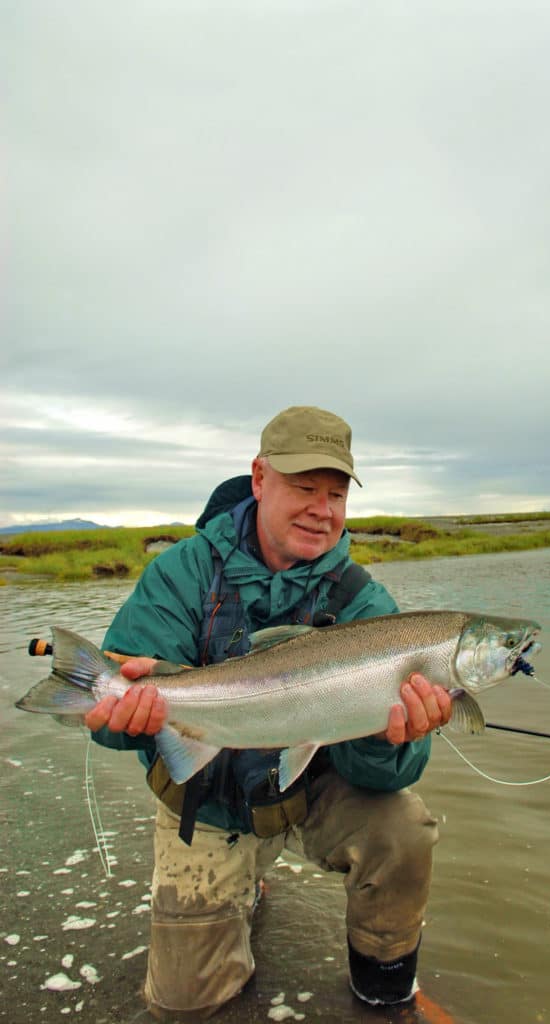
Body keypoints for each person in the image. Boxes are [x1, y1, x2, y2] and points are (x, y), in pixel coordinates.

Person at [85, 405, 451, 1021]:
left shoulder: (365, 601)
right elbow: (114, 719)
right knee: (184, 1006)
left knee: (402, 826)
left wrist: (393, 740)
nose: (322, 509)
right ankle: (246, 881)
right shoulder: (180, 574)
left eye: (336, 494)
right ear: (258, 479)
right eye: (305, 488)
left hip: (310, 790)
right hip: (209, 802)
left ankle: (386, 988)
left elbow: (384, 777)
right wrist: (123, 716)